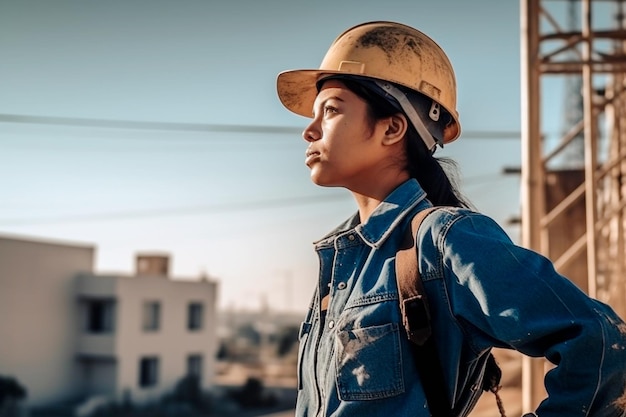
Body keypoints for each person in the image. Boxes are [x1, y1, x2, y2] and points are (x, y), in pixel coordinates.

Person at [275, 20, 626, 417]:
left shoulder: (446, 240)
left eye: (331, 110)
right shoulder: (339, 264)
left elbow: (599, 341)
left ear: (392, 128)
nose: (310, 130)